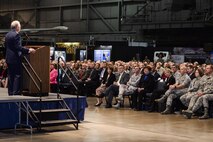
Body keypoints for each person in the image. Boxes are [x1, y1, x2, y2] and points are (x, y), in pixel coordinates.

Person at [5, 20, 36, 95]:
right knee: (17, 75)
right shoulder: (16, 35)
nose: (20, 27)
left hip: (8, 58)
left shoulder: (7, 35)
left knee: (10, 75)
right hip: (15, 58)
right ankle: (15, 92)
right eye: (19, 26)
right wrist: (28, 50)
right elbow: (18, 47)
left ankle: (10, 92)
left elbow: (7, 46)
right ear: (17, 27)